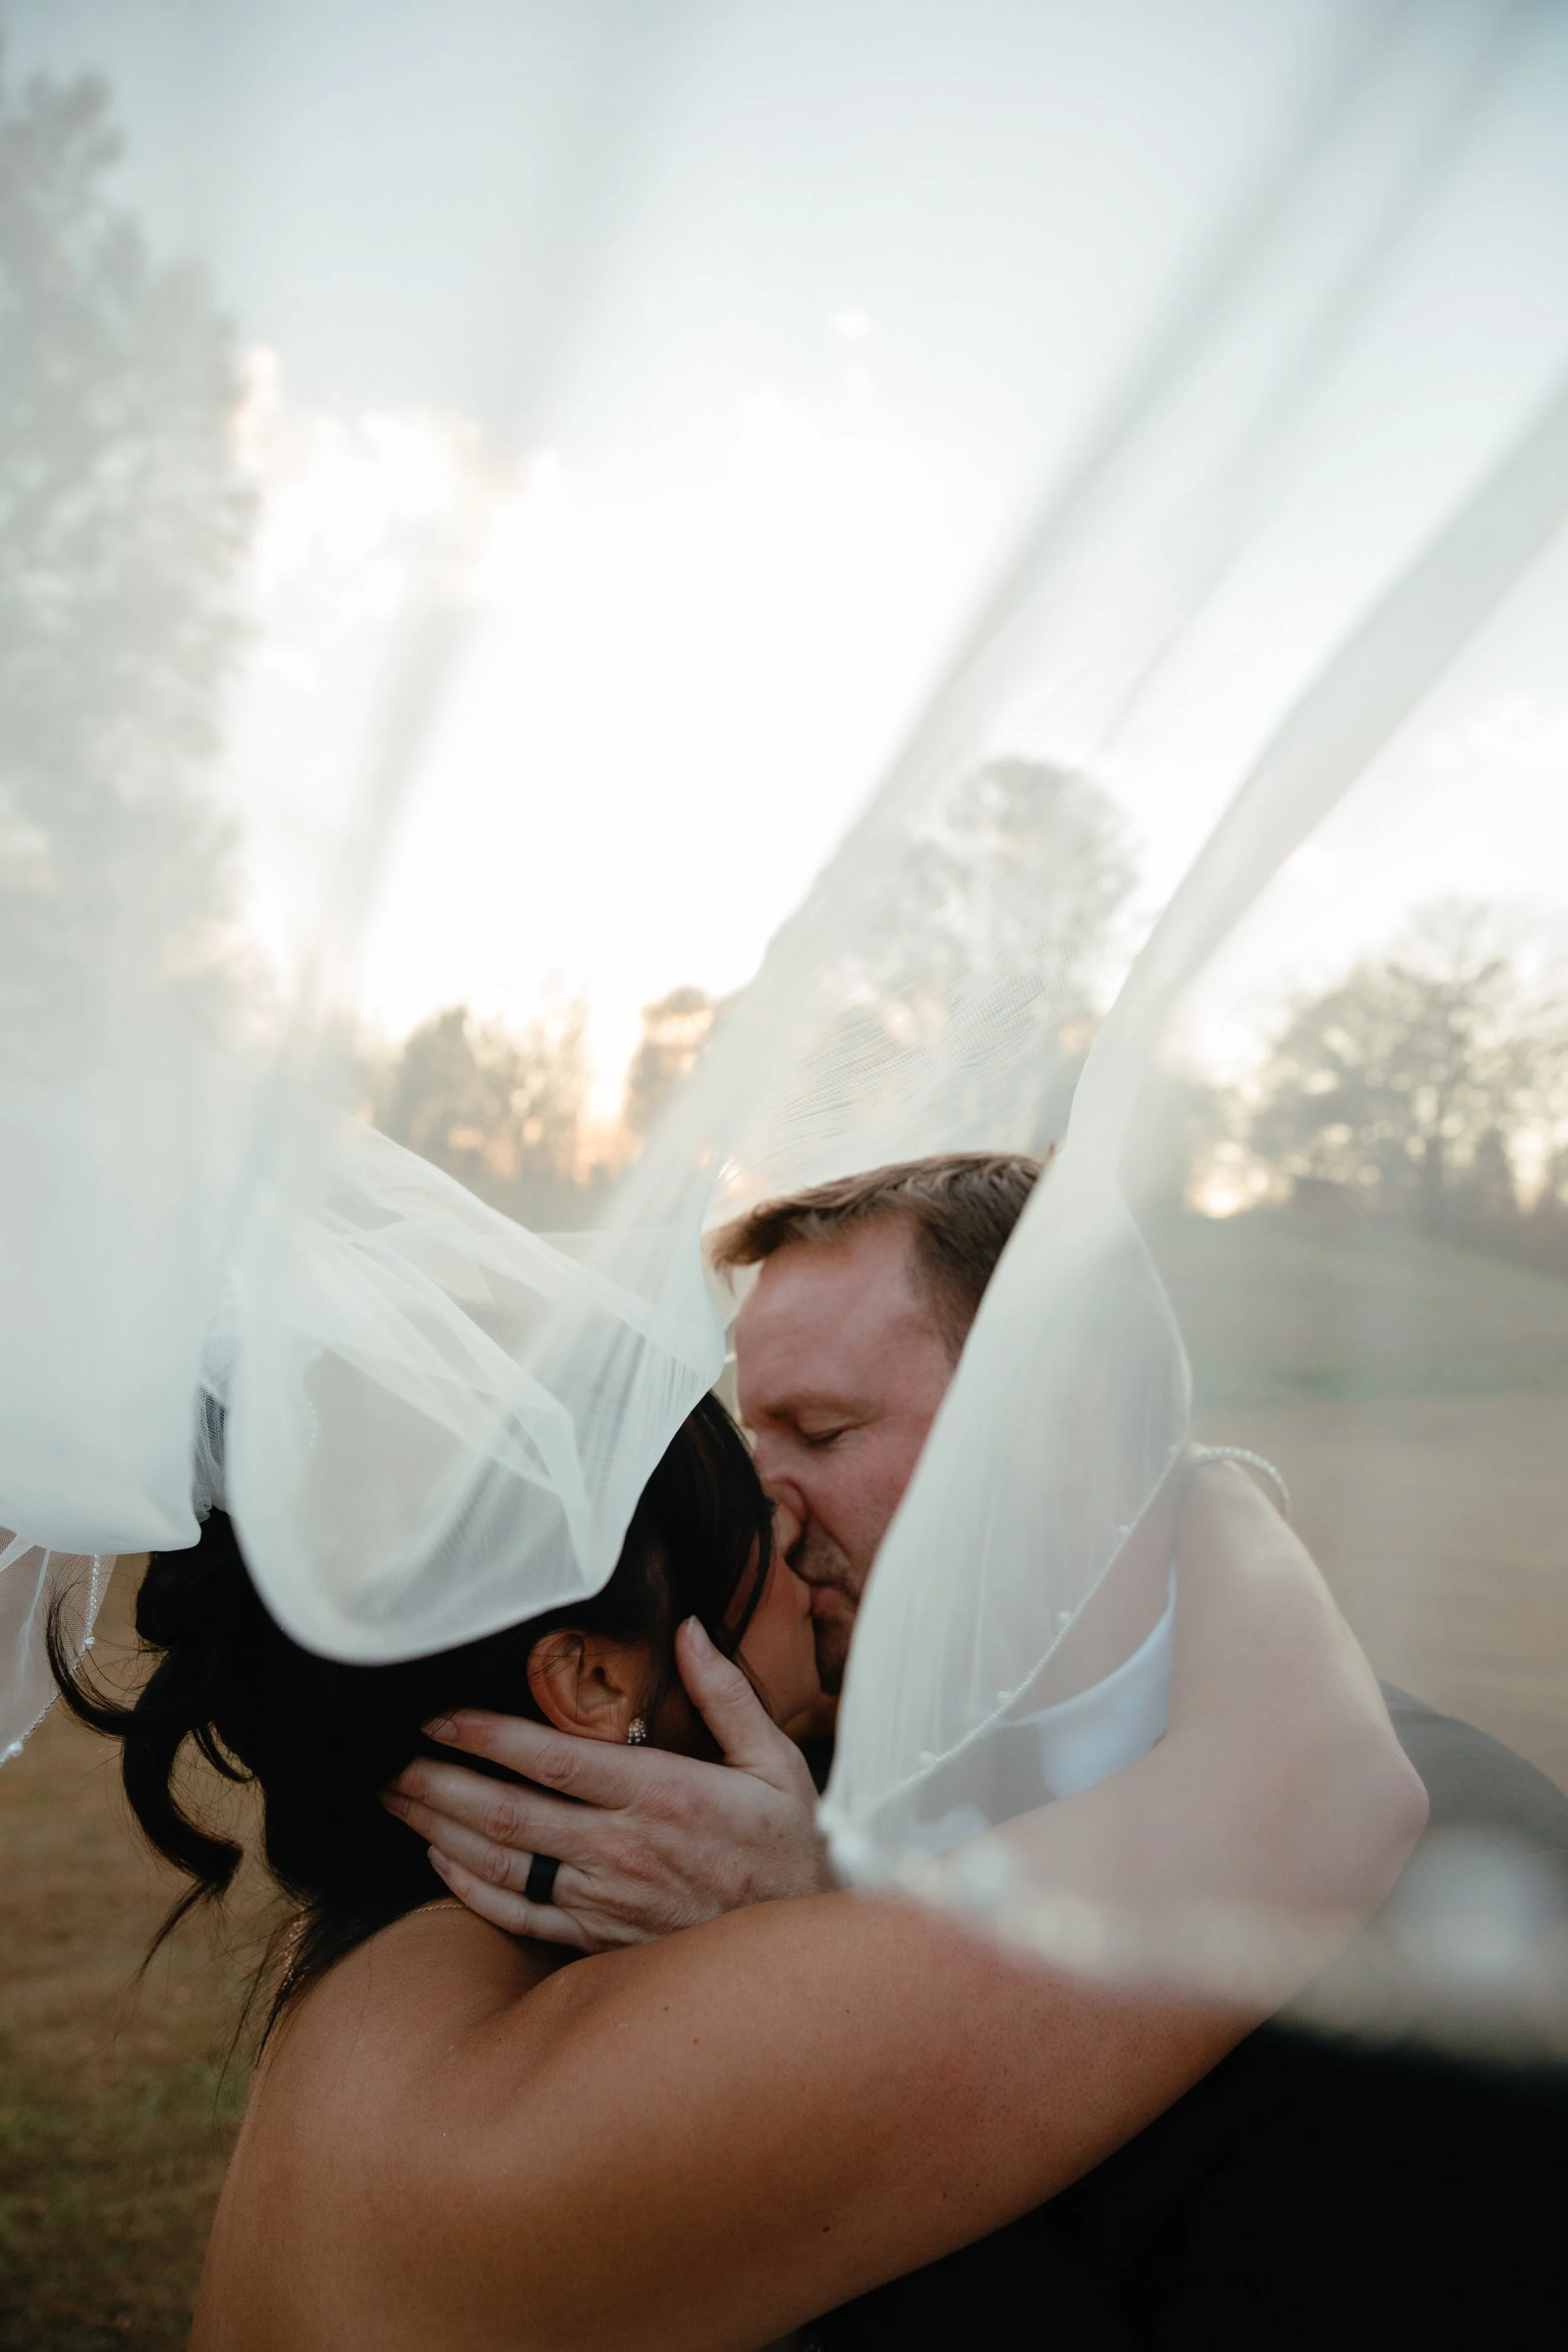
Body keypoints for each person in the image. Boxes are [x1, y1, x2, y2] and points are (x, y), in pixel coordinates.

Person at [400, 1152, 1568, 2346]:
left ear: (1053, 1419)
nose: (766, 1510)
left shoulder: (1463, 1933)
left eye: (822, 1431)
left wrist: (805, 1987)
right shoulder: (756, 1791)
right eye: (758, 1441)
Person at [54, 1391, 1419, 2350]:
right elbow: (1325, 1795)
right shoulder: (535, 2101)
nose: (803, 1553)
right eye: (756, 1539)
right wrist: (1200, 1479)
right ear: (595, 1682)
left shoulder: (389, 1984)